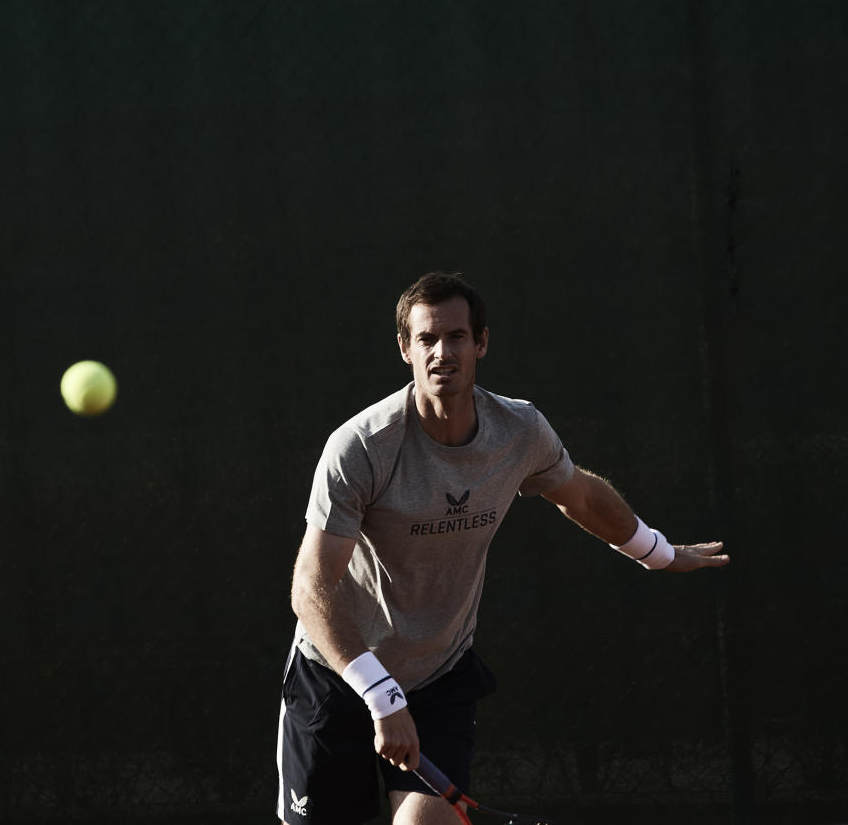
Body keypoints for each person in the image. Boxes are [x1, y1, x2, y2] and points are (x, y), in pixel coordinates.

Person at [275, 272, 728, 825]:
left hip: (438, 677)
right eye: (427, 339)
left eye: (457, 337)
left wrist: (656, 551)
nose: (443, 352)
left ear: (481, 343)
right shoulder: (361, 449)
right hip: (340, 677)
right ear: (405, 349)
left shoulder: (519, 432)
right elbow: (311, 588)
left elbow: (580, 496)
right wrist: (380, 693)